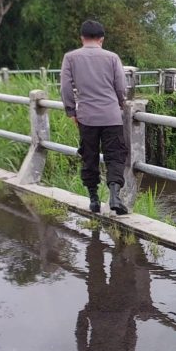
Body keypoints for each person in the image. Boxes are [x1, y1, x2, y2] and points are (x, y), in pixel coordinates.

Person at [60, 20, 129, 215]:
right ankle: (115, 196)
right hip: (111, 116)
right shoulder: (112, 57)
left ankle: (93, 200)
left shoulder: (70, 58)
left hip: (87, 118)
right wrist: (120, 104)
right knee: (115, 155)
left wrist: (71, 111)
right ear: (102, 39)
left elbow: (65, 87)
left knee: (89, 157)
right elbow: (121, 88)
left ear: (82, 38)